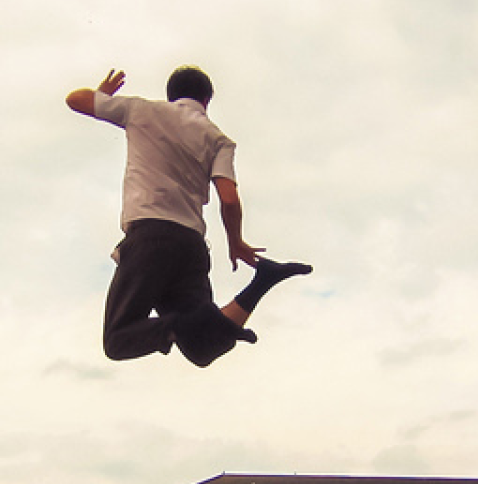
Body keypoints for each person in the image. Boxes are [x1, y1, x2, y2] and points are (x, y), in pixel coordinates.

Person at [67, 66, 312, 368]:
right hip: (190, 246)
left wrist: (103, 94)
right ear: (207, 100)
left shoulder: (141, 110)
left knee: (118, 340)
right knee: (202, 348)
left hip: (150, 238)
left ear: (170, 95)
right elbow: (230, 199)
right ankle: (262, 282)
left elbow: (75, 99)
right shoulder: (218, 139)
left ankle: (194, 323)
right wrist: (235, 242)